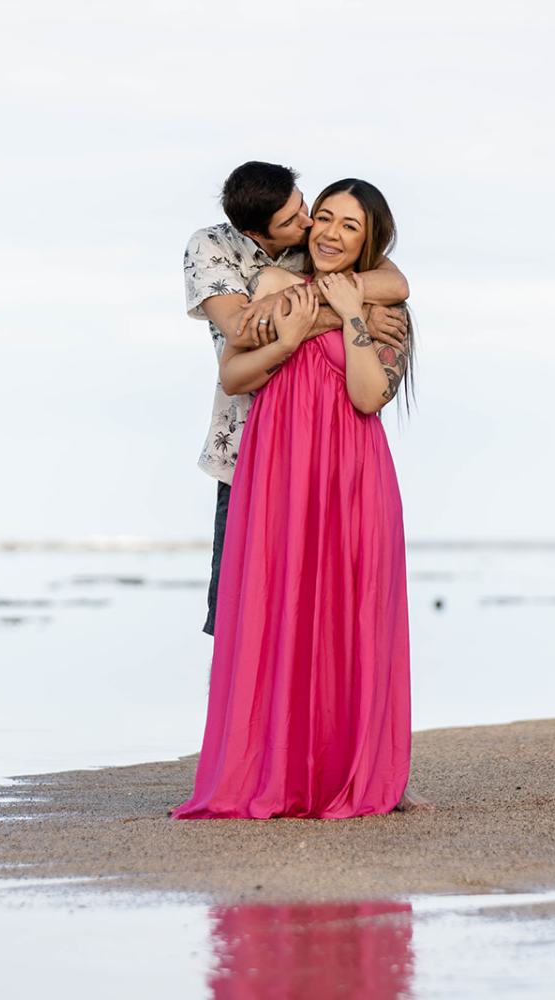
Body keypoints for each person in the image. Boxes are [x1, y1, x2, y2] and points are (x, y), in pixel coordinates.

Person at [174, 178, 426, 819]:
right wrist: (306, 319)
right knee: (273, 611)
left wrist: (348, 316)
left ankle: (352, 772)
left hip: (352, 474)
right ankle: (269, 767)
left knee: (350, 618)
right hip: (275, 468)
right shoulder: (267, 285)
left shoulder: (383, 312)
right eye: (325, 218)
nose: (332, 232)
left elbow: (369, 396)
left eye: (351, 226)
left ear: (370, 241)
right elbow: (232, 372)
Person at [183, 162, 410, 637]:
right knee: (239, 618)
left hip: (339, 465)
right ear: (256, 232)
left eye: (306, 208)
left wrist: (355, 305)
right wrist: (344, 313)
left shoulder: (313, 249)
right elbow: (240, 330)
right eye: (297, 220)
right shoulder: (214, 249)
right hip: (249, 454)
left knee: (331, 619)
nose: (311, 226)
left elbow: (395, 283)